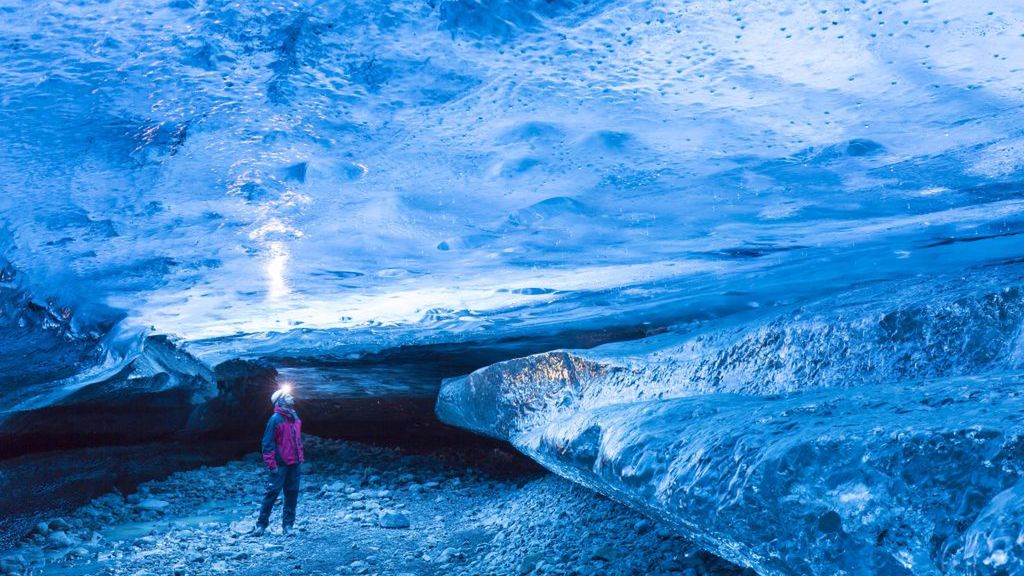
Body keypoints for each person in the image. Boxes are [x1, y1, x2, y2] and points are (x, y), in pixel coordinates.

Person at [253, 386, 304, 536]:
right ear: (281, 401)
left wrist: (300, 457)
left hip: (294, 463)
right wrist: (271, 465)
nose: (292, 397)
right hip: (280, 465)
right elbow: (267, 443)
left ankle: (288, 526)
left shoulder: (294, 417)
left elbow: (296, 440)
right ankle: (261, 525)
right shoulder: (275, 419)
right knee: (272, 494)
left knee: (292, 493)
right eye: (288, 396)